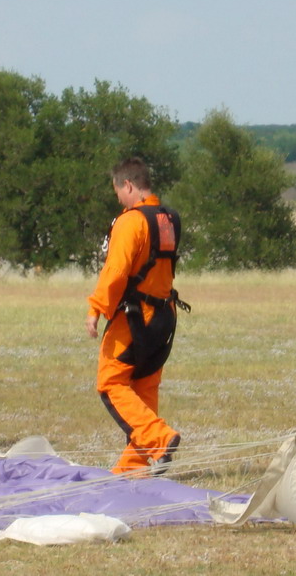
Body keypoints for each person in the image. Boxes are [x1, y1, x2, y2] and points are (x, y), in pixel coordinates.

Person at [85, 157, 189, 475]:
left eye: (118, 191)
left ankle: (160, 439)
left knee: (111, 382)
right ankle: (133, 467)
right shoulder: (169, 219)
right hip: (165, 316)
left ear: (128, 185)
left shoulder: (131, 221)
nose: (118, 199)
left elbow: (116, 271)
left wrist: (96, 309)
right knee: (144, 389)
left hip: (135, 317)